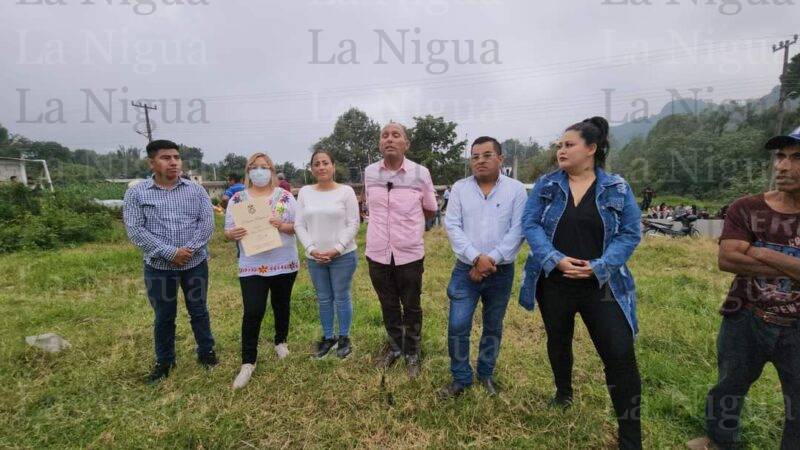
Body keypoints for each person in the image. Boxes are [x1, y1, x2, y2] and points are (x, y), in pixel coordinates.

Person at [519, 117, 643, 449]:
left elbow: (631, 233)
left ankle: (630, 437)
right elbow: (529, 224)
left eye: (569, 144)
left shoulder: (617, 187)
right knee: (558, 340)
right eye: (559, 145)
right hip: (555, 282)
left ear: (591, 149)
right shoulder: (547, 185)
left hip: (601, 285)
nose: (561, 150)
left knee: (619, 354)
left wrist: (600, 266)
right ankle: (563, 391)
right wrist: (554, 258)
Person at [688, 125, 800, 450]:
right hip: (745, 316)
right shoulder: (746, 207)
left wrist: (761, 250)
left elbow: (743, 255)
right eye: (780, 157)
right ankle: (721, 442)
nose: (782, 166)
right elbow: (728, 259)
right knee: (728, 387)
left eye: (796, 158)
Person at [122, 139, 217, 385]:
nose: (173, 162)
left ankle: (206, 352)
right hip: (159, 268)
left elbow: (206, 224)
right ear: (152, 162)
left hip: (195, 264)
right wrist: (169, 252)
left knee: (199, 310)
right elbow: (135, 229)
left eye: (176, 157)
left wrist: (189, 250)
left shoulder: (195, 190)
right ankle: (165, 361)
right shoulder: (137, 193)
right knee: (164, 315)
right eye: (166, 158)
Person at [440, 136, 527, 397]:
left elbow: (518, 229)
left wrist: (492, 259)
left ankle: (486, 374)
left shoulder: (516, 190)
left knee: (493, 325)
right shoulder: (459, 188)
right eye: (475, 156)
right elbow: (452, 225)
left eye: (487, 155)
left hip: (501, 273)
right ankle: (461, 377)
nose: (480, 161)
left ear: (500, 158)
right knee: (458, 324)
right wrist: (477, 257)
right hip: (465, 270)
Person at [364, 122, 437, 379]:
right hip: (377, 252)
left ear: (406, 143)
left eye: (396, 135)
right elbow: (370, 209)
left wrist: (410, 229)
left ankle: (413, 351)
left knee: (412, 304)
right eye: (385, 135)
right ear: (380, 143)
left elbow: (430, 208)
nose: (389, 139)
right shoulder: (370, 173)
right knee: (388, 303)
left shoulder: (420, 173)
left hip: (409, 253)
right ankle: (395, 347)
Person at [224, 152, 299, 389]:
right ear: (248, 172)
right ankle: (248, 361)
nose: (259, 171)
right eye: (254, 167)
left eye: (264, 167)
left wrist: (281, 225)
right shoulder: (237, 199)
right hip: (252, 264)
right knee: (253, 310)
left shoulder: (285, 197)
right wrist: (232, 234)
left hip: (283, 261)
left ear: (272, 171)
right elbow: (228, 231)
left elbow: (298, 227)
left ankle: (281, 342)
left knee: (281, 304)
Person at [295, 149, 360, 359]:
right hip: (315, 258)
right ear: (312, 168)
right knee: (323, 299)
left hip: (343, 256)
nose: (321, 167)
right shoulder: (305, 192)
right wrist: (311, 250)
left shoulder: (346, 192)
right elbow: (299, 224)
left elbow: (353, 223)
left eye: (325, 162)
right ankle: (328, 337)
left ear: (333, 166)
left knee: (341, 297)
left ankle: (344, 337)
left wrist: (337, 248)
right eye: (316, 163)